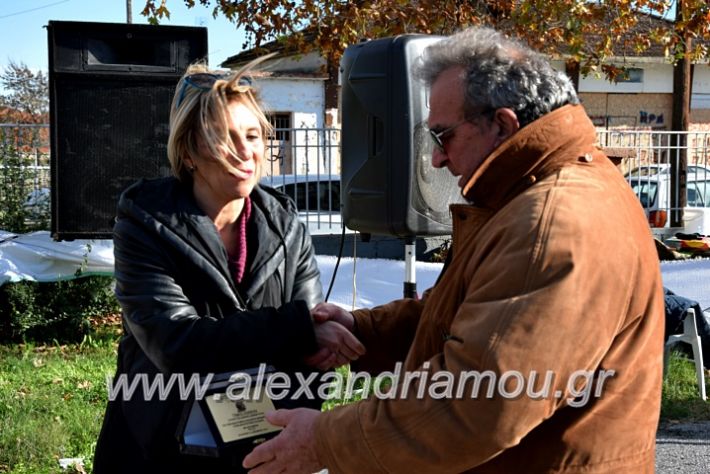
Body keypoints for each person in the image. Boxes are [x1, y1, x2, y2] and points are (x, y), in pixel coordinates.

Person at [242, 26, 664, 473]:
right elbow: (467, 315)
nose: (436, 160)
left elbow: (478, 403)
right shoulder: (535, 196)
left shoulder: (551, 222)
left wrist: (324, 440)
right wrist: (362, 330)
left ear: (502, 124)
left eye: (442, 137)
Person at [93, 59, 364, 473]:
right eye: (223, 136)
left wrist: (299, 408)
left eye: (253, 135)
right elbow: (174, 343)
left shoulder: (286, 224)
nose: (245, 151)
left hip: (262, 444)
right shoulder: (145, 221)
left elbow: (313, 349)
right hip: (161, 448)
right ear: (188, 152)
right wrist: (296, 331)